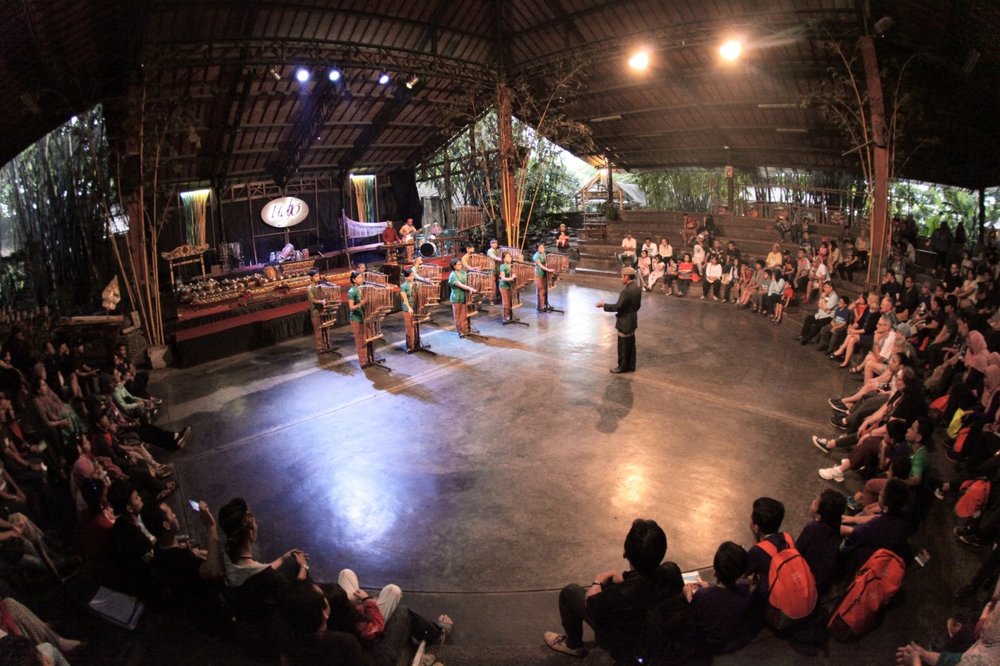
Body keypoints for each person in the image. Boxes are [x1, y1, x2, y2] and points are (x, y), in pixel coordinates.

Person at [544, 518, 683, 661]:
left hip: (629, 648)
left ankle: (573, 645)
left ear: (625, 554)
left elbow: (591, 603)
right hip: (662, 643)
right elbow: (646, 585)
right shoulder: (672, 571)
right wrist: (625, 581)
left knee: (570, 592)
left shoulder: (618, 595)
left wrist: (598, 582)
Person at [684, 541, 754, 656]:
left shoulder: (702, 595)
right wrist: (709, 586)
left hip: (704, 643)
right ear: (741, 574)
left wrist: (687, 595)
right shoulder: (744, 595)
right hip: (729, 640)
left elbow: (693, 611)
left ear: (715, 571)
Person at [596, 267, 642, 374]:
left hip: (624, 320)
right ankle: (631, 365)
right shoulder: (637, 288)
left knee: (623, 345)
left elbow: (618, 307)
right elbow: (638, 306)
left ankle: (622, 366)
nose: (621, 279)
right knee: (631, 342)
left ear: (626, 276)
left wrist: (604, 305)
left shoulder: (626, 291)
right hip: (633, 319)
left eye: (622, 276)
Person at [448, 258, 476, 337]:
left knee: (464, 314)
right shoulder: (453, 275)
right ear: (454, 266)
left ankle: (466, 329)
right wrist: (469, 288)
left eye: (460, 264)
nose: (460, 266)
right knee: (458, 315)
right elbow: (459, 284)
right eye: (458, 264)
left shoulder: (463, 272)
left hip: (464, 296)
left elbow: (468, 281)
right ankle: (460, 331)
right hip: (456, 297)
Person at [346, 271, 369, 367]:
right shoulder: (352, 291)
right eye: (359, 278)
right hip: (356, 318)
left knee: (365, 339)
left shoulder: (361, 289)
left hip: (363, 317)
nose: (361, 279)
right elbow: (351, 307)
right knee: (360, 340)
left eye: (362, 277)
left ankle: (367, 358)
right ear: (353, 280)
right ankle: (362, 361)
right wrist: (361, 303)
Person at [306, 270, 329, 354]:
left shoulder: (320, 286)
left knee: (326, 328)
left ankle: (327, 345)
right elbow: (312, 300)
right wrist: (321, 301)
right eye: (315, 276)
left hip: (323, 309)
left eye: (318, 276)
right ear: (311, 277)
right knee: (318, 329)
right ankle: (319, 347)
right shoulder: (310, 288)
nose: (317, 278)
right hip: (316, 311)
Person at [398, 269, 421, 353]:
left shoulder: (416, 284)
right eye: (410, 275)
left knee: (415, 325)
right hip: (408, 308)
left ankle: (416, 343)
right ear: (406, 277)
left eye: (413, 275)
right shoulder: (404, 286)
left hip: (415, 306)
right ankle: (410, 346)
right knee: (409, 327)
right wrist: (409, 308)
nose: (412, 277)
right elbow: (405, 299)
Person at [533, 242, 556, 312]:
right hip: (538, 273)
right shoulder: (536, 256)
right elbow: (540, 266)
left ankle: (545, 304)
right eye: (540, 248)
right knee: (540, 290)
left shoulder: (544, 254)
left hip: (544, 273)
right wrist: (548, 269)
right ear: (537, 249)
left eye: (543, 247)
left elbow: (546, 263)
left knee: (545, 289)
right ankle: (540, 306)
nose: (542, 249)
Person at [498, 251, 516, 322]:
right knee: (506, 302)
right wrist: (511, 278)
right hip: (503, 286)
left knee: (510, 301)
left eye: (510, 257)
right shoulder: (502, 266)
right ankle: (505, 317)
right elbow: (503, 278)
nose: (509, 258)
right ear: (504, 259)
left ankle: (510, 315)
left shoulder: (511, 265)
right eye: (507, 257)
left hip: (509, 286)